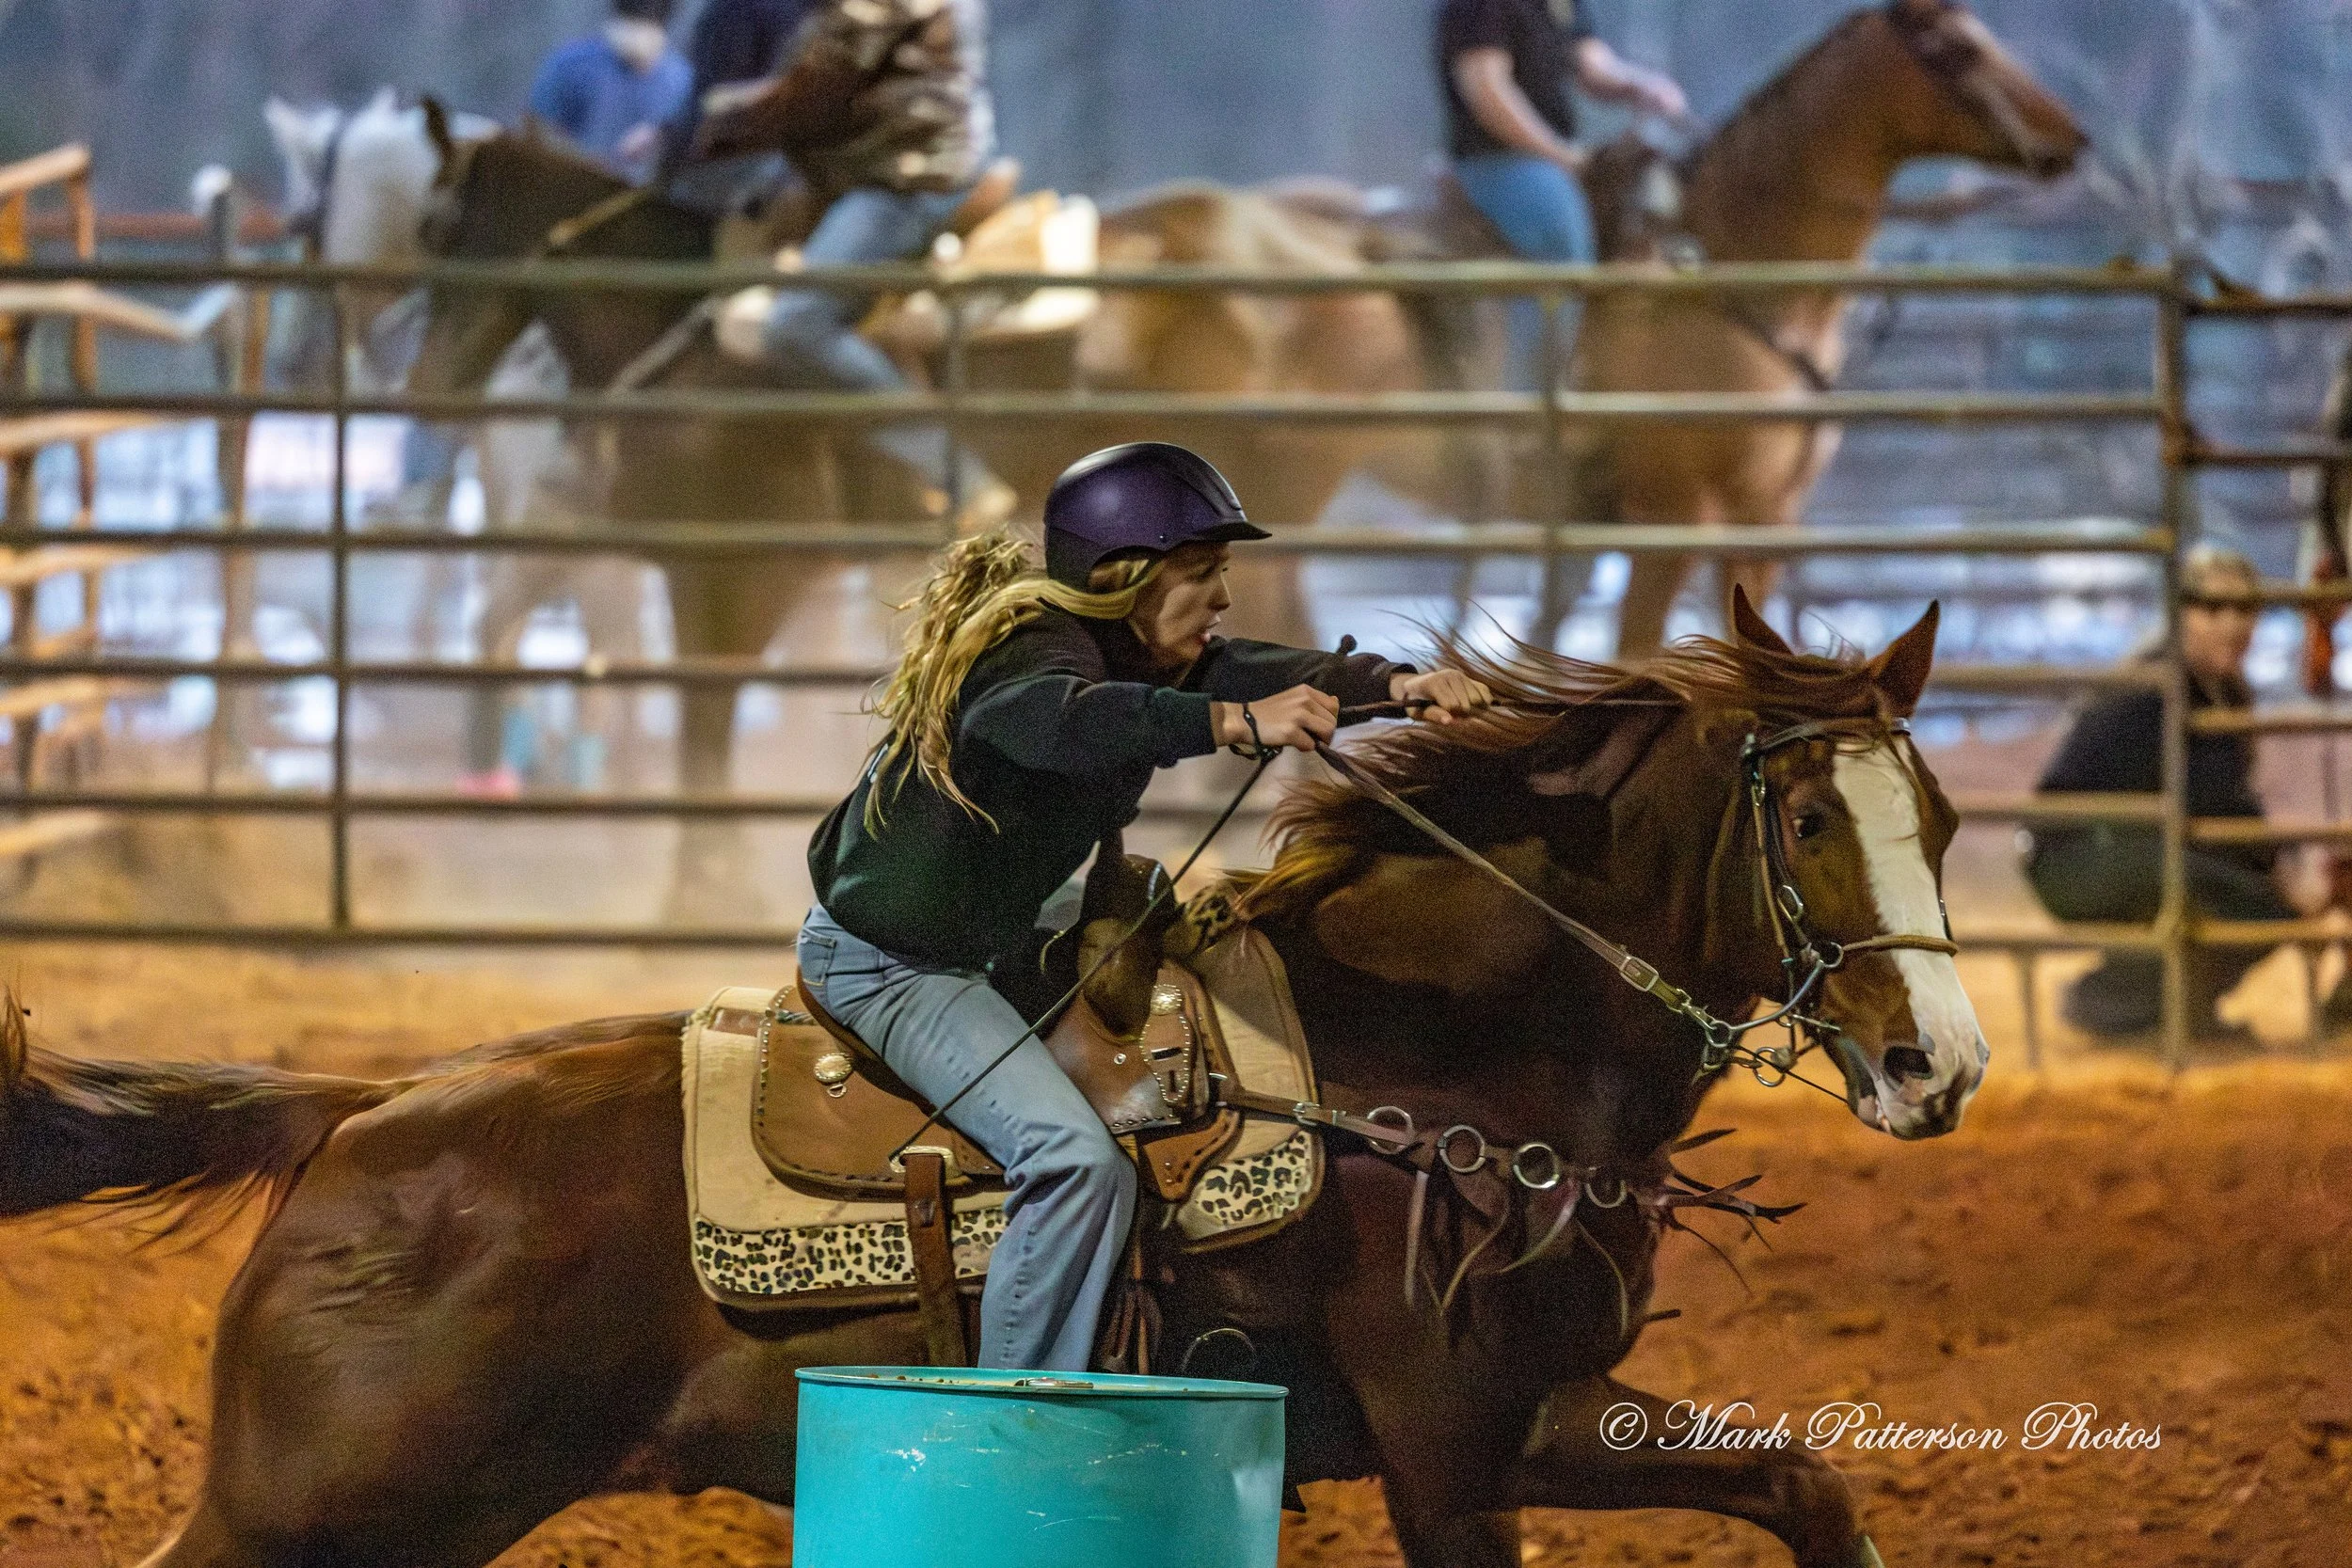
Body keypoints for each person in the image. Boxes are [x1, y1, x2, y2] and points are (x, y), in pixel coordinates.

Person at [797, 442, 1493, 1370]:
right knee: (1072, 1160)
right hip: (898, 965)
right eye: (1200, 573)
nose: (1222, 596)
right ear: (1121, 578)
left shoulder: (1129, 652)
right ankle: (1019, 1402)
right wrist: (1234, 724)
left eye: (1221, 572)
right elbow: (1062, 718)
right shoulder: (1029, 655)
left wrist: (1393, 686)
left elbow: (1244, 666)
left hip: (983, 924)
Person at [688, 0, 1011, 524]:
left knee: (795, 323)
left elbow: (816, 92)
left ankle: (957, 477)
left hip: (908, 172)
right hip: (881, 159)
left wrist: (714, 121)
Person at [2024, 545, 2312, 1042]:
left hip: (2120, 847)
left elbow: (2222, 806)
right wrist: (2286, 871)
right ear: (2180, 615)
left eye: (2246, 609)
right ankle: (2115, 1001)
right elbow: (2218, 804)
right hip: (2077, 855)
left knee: (2229, 889)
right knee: (2256, 904)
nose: (2234, 624)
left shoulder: (2213, 688)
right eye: (2212, 608)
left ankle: (2165, 1007)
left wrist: (2278, 861)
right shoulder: (2163, 688)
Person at [1435, 0, 1690, 388]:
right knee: (1562, 240)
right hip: (1495, 162)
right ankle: (1530, 402)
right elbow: (1486, 87)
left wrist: (1640, 84)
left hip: (1549, 158)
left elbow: (1591, 62)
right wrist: (1558, 154)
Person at [528, 0, 694, 184]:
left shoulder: (679, 78)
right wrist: (583, 163)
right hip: (567, 181)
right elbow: (537, 126)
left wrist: (658, 134)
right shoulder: (573, 62)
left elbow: (682, 135)